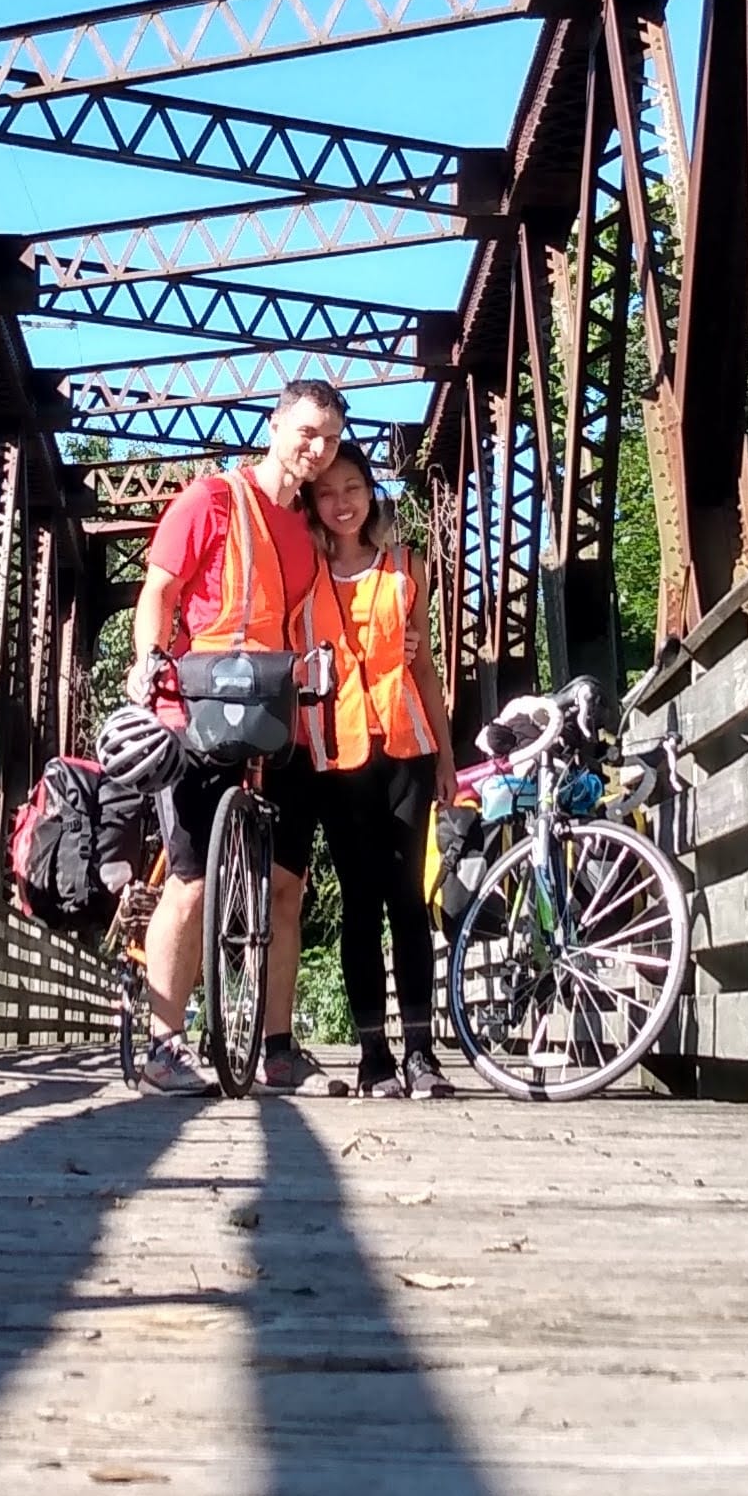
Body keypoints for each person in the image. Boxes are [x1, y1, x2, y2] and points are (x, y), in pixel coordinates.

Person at [124, 378, 344, 1095]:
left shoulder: (305, 534)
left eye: (332, 439)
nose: (317, 449)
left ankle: (270, 1047)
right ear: (275, 424)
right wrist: (147, 663)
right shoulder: (213, 497)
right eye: (307, 432)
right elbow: (160, 588)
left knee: (277, 886)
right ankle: (164, 1045)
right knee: (189, 884)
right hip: (193, 709)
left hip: (265, 716)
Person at [305, 441, 453, 1097]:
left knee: (407, 901)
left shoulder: (404, 568)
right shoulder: (303, 574)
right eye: (327, 491)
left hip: (407, 747)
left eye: (353, 487)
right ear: (313, 501)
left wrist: (449, 757)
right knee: (360, 904)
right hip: (336, 756)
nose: (342, 502)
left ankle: (421, 1051)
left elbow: (424, 668)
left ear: (370, 492)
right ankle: (373, 1058)